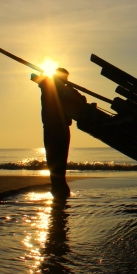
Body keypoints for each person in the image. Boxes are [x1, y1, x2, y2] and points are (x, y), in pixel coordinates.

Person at [39, 68, 86, 198]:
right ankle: (58, 187)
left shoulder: (64, 90)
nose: (65, 81)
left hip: (60, 127)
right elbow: (36, 78)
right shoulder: (49, 87)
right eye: (64, 79)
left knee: (59, 158)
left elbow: (82, 99)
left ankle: (59, 187)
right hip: (53, 127)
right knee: (54, 158)